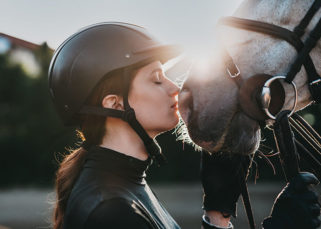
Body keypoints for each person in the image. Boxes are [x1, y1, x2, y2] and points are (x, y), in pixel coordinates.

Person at [48, 22, 320, 229]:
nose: (173, 87)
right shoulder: (112, 211)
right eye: (156, 79)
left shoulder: (124, 185)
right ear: (114, 104)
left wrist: (217, 212)